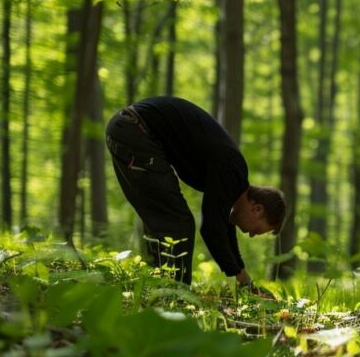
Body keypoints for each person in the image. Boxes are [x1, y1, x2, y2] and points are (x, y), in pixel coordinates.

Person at [104, 96, 285, 286]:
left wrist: (239, 270)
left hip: (126, 129)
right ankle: (176, 294)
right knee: (179, 222)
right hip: (136, 131)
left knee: (160, 220)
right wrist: (240, 276)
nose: (251, 235)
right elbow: (211, 228)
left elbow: (223, 227)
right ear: (257, 209)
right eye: (257, 230)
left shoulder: (233, 182)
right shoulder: (233, 171)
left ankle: (158, 287)